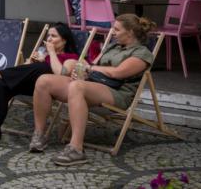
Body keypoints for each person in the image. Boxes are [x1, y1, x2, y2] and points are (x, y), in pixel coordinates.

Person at [28, 14, 156, 166]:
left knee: (77, 87)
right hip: (93, 84)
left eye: (116, 29)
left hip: (117, 92)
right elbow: (92, 66)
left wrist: (91, 68)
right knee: (44, 81)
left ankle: (76, 149)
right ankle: (39, 135)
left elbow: (118, 73)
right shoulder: (113, 47)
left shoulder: (142, 54)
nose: (112, 32)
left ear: (130, 32)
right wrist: (81, 71)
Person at [0, 23, 80, 147]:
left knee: (42, 67)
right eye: (48, 35)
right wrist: (31, 62)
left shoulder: (71, 58)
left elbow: (61, 74)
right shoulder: (45, 54)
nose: (49, 39)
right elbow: (24, 69)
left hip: (50, 89)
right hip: (33, 85)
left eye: (53, 36)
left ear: (64, 40)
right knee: (1, 85)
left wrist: (50, 55)